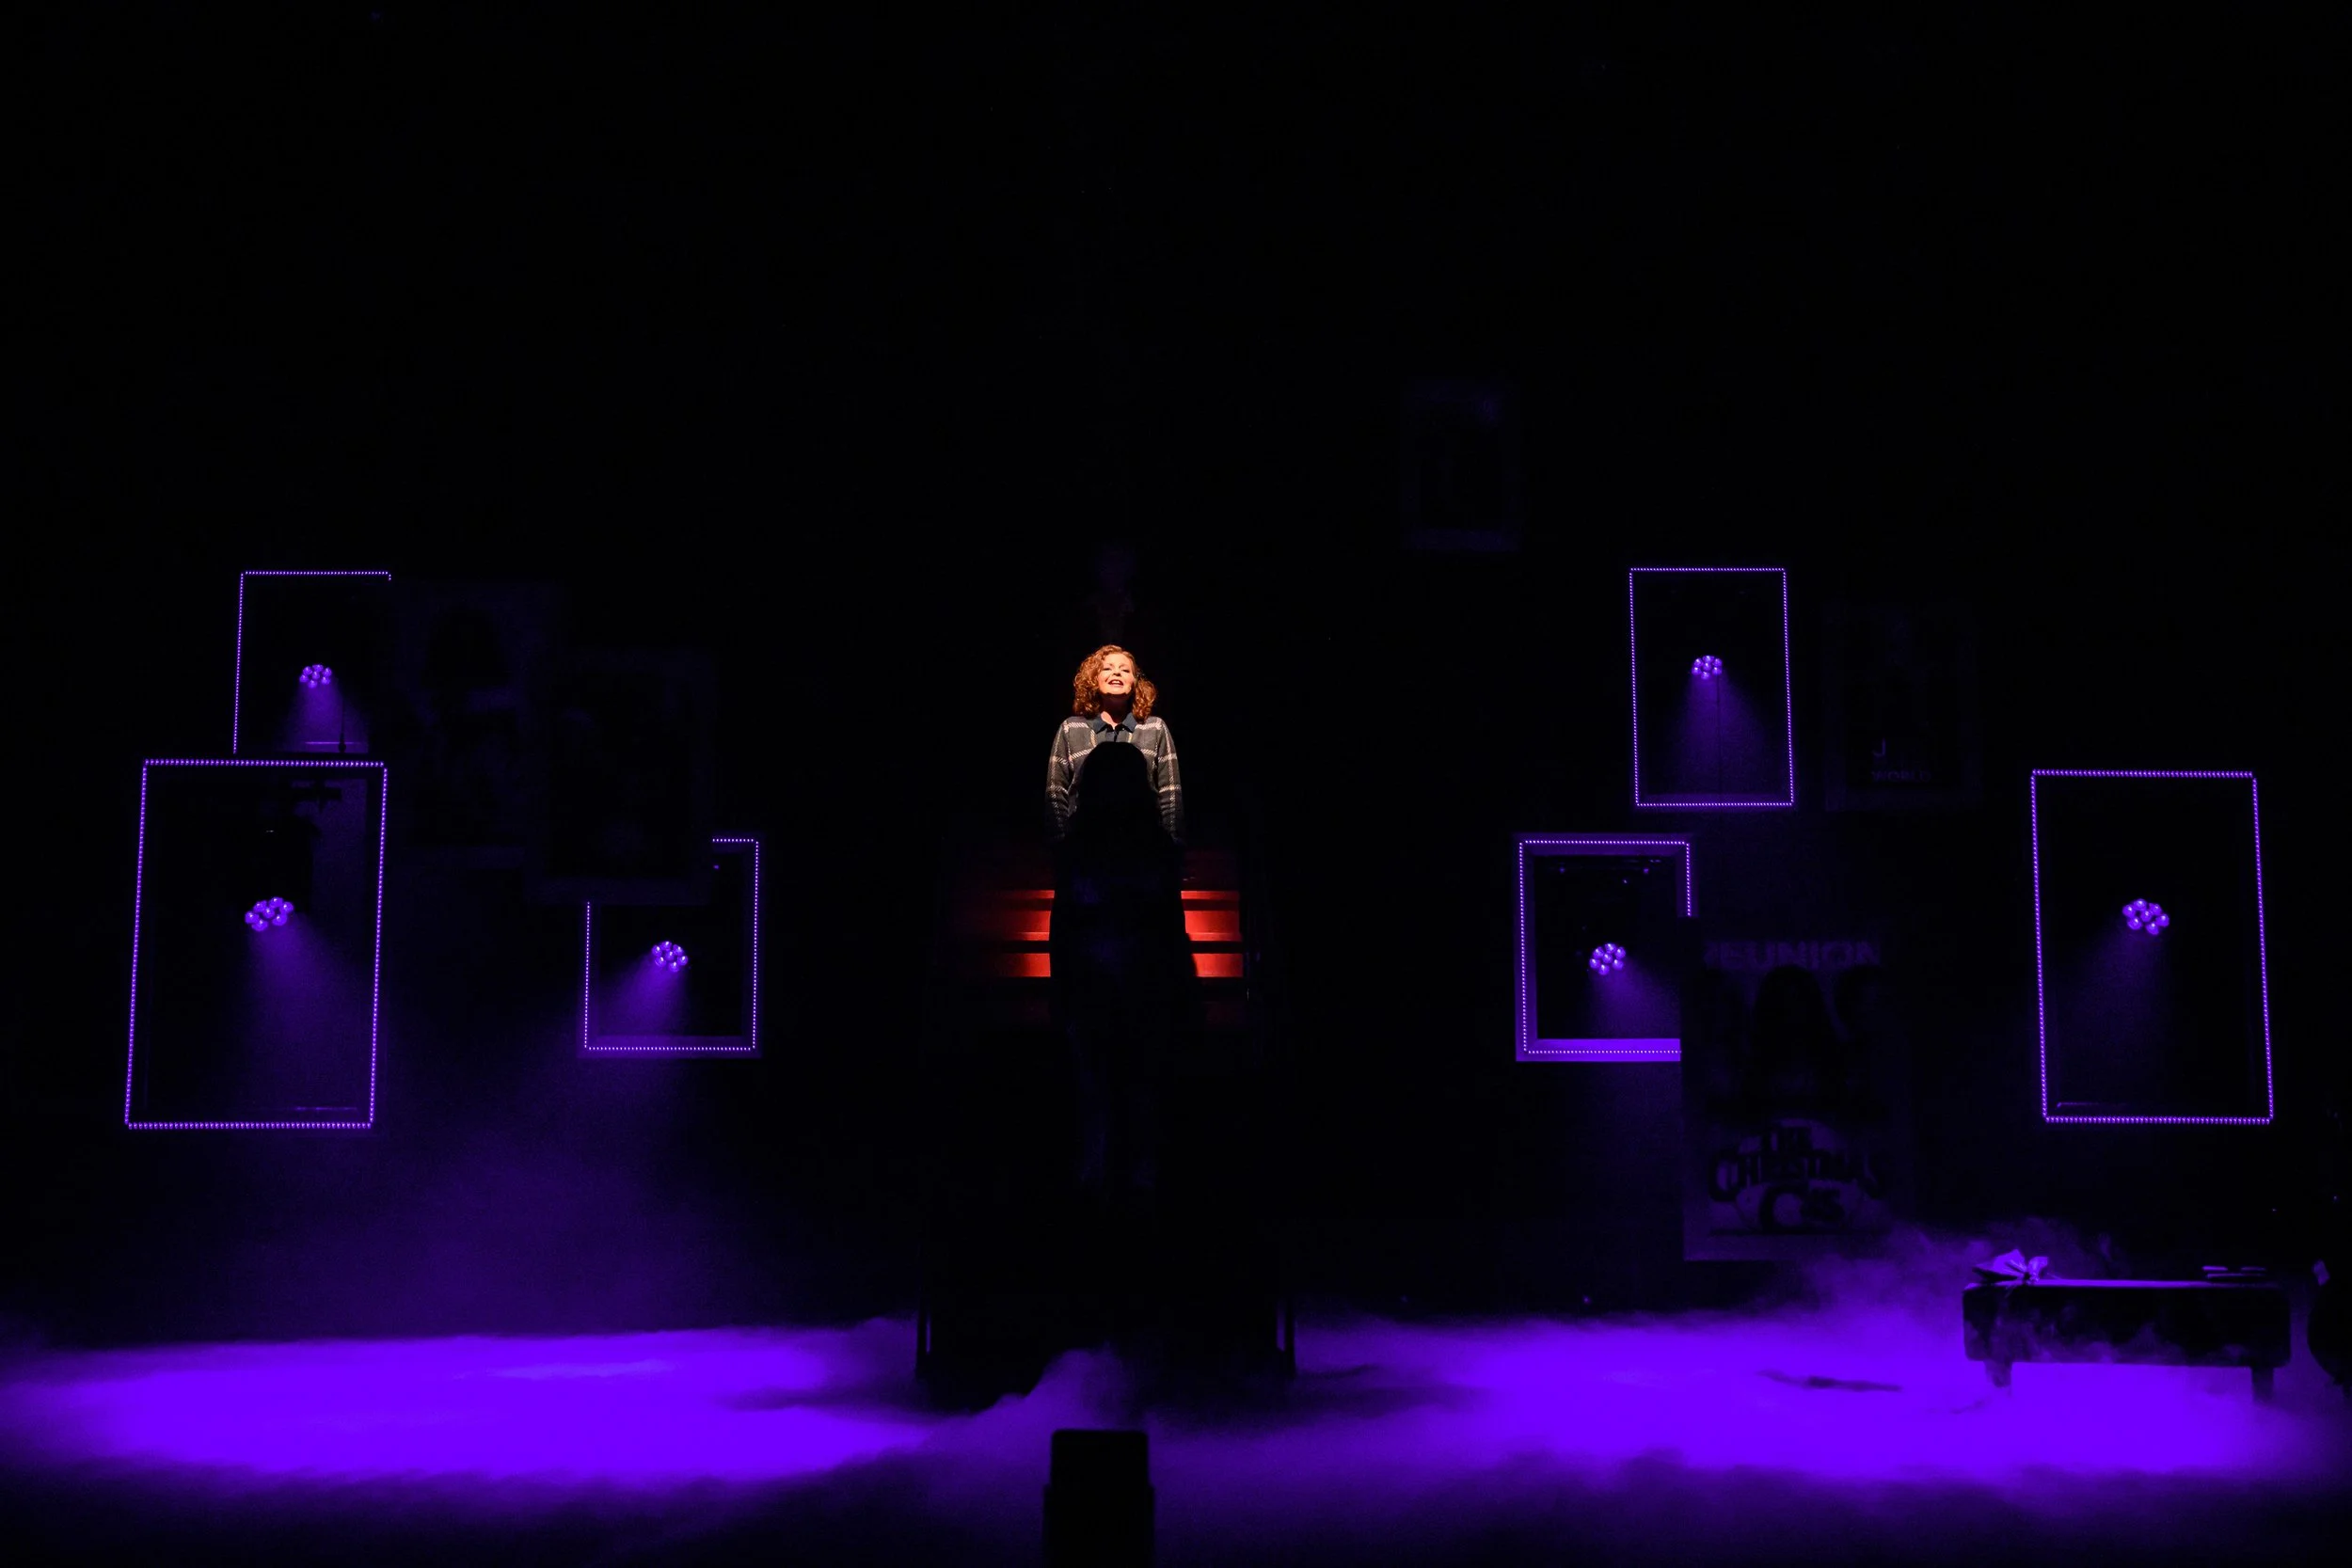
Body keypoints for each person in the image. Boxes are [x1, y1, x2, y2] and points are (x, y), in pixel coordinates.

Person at [1047, 645, 1184, 847]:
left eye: (1125, 670)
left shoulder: (1155, 728)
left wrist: (1172, 845)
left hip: (1142, 846)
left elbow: (1170, 793)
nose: (1117, 672)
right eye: (1108, 668)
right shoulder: (1070, 728)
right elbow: (1055, 792)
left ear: (1134, 682)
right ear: (1094, 679)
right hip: (1086, 847)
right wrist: (1061, 845)